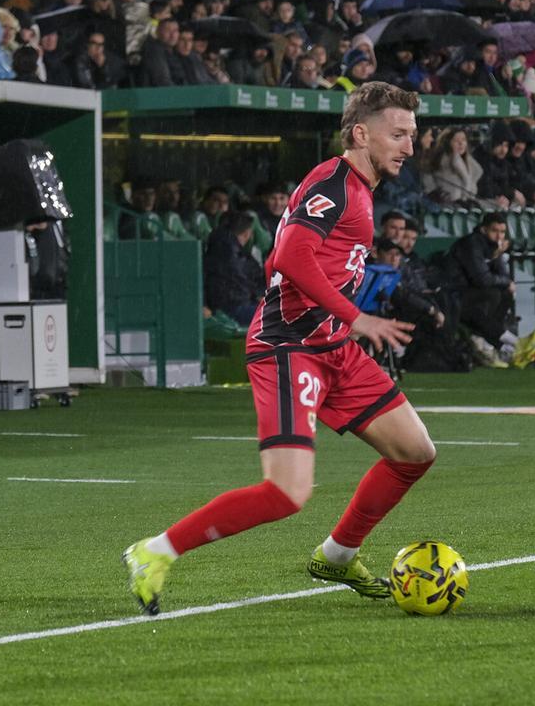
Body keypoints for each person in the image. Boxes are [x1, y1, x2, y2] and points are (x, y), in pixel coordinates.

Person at [123, 82, 437, 614]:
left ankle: (336, 555)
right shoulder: (334, 181)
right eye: (399, 134)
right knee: (287, 493)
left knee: (414, 453)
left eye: (413, 134)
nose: (409, 146)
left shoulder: (360, 187)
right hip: (289, 347)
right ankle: (154, 551)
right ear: (361, 134)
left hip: (332, 346)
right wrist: (357, 315)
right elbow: (290, 257)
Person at [443, 211, 535, 368]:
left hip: (470, 296)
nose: (499, 236)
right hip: (453, 296)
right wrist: (501, 273)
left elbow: (504, 277)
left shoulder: (492, 246)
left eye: (502, 232)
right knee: (492, 295)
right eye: (495, 231)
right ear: (483, 229)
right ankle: (511, 343)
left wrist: (497, 254)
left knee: (506, 293)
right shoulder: (471, 244)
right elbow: (482, 279)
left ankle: (497, 346)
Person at [203, 210, 265, 326]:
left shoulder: (212, 249)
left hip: (219, 308)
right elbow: (250, 284)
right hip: (235, 310)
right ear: (247, 233)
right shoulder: (236, 255)